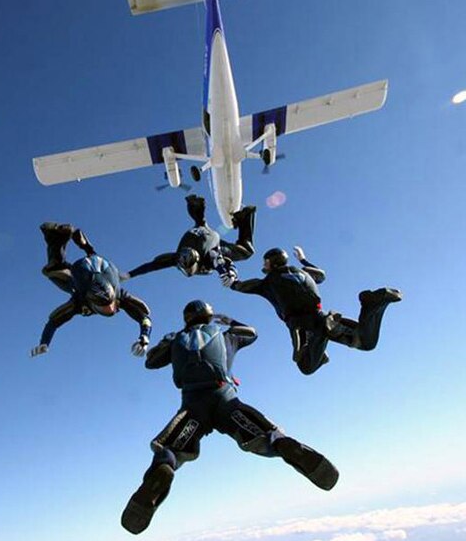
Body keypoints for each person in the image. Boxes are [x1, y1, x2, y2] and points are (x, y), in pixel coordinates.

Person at [121, 300, 338, 535]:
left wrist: (166, 340)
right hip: (225, 397)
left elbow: (151, 361)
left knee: (170, 450)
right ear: (209, 315)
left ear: (187, 319)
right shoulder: (225, 335)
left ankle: (163, 469)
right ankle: (283, 444)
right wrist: (228, 322)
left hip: (193, 403)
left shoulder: (176, 341)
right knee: (266, 436)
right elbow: (252, 333)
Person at [223, 246, 401, 375]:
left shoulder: (267, 282)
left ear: (269, 263)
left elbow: (236, 285)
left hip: (302, 326)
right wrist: (303, 260)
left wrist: (228, 269)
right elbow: (321, 274)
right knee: (366, 342)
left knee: (306, 367)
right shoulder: (304, 273)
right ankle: (373, 304)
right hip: (320, 316)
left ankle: (320, 341)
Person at [31, 223, 152, 358]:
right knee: (52, 270)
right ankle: (58, 238)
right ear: (92, 304)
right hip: (83, 275)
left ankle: (86, 248)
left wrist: (144, 338)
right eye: (104, 306)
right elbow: (54, 321)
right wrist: (44, 342)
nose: (111, 309)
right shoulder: (79, 301)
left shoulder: (119, 295)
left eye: (110, 304)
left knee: (57, 270)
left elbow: (144, 317)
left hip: (103, 270)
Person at [123, 195, 255, 283]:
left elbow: (223, 262)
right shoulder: (176, 258)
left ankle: (246, 215)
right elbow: (152, 265)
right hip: (196, 236)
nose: (187, 272)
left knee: (246, 252)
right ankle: (196, 208)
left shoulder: (209, 258)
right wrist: (129, 274)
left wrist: (230, 274)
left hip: (210, 240)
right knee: (201, 224)